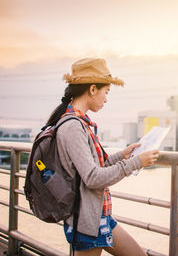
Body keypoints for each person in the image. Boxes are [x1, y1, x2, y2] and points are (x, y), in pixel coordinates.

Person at [47, 58, 159, 256]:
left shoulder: (81, 123)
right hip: (87, 221)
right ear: (92, 89)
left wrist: (122, 156)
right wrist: (136, 162)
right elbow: (93, 178)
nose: (106, 99)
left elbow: (93, 167)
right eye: (106, 92)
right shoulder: (73, 127)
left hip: (99, 215)